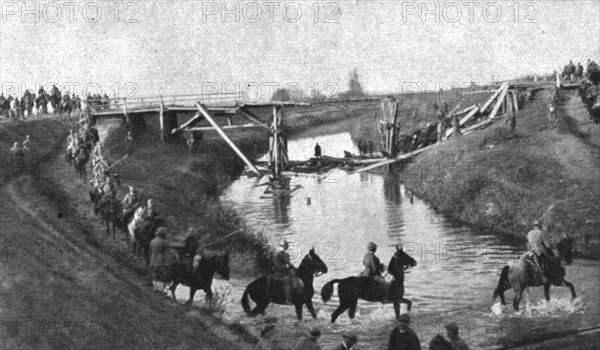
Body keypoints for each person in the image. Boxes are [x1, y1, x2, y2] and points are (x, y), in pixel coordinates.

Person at [149, 227, 179, 293]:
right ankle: (160, 291)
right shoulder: (162, 242)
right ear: (162, 234)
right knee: (161, 277)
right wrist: (181, 246)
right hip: (160, 262)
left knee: (155, 276)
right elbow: (171, 246)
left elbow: (150, 251)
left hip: (152, 261)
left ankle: (156, 289)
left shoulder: (152, 242)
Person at [273, 239, 296, 304]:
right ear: (283, 246)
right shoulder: (278, 255)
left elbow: (289, 263)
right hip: (280, 273)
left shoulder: (287, 254)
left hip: (286, 272)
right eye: (286, 245)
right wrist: (285, 266)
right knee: (287, 282)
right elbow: (277, 265)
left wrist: (293, 267)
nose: (287, 246)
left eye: (287, 245)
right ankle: (288, 300)